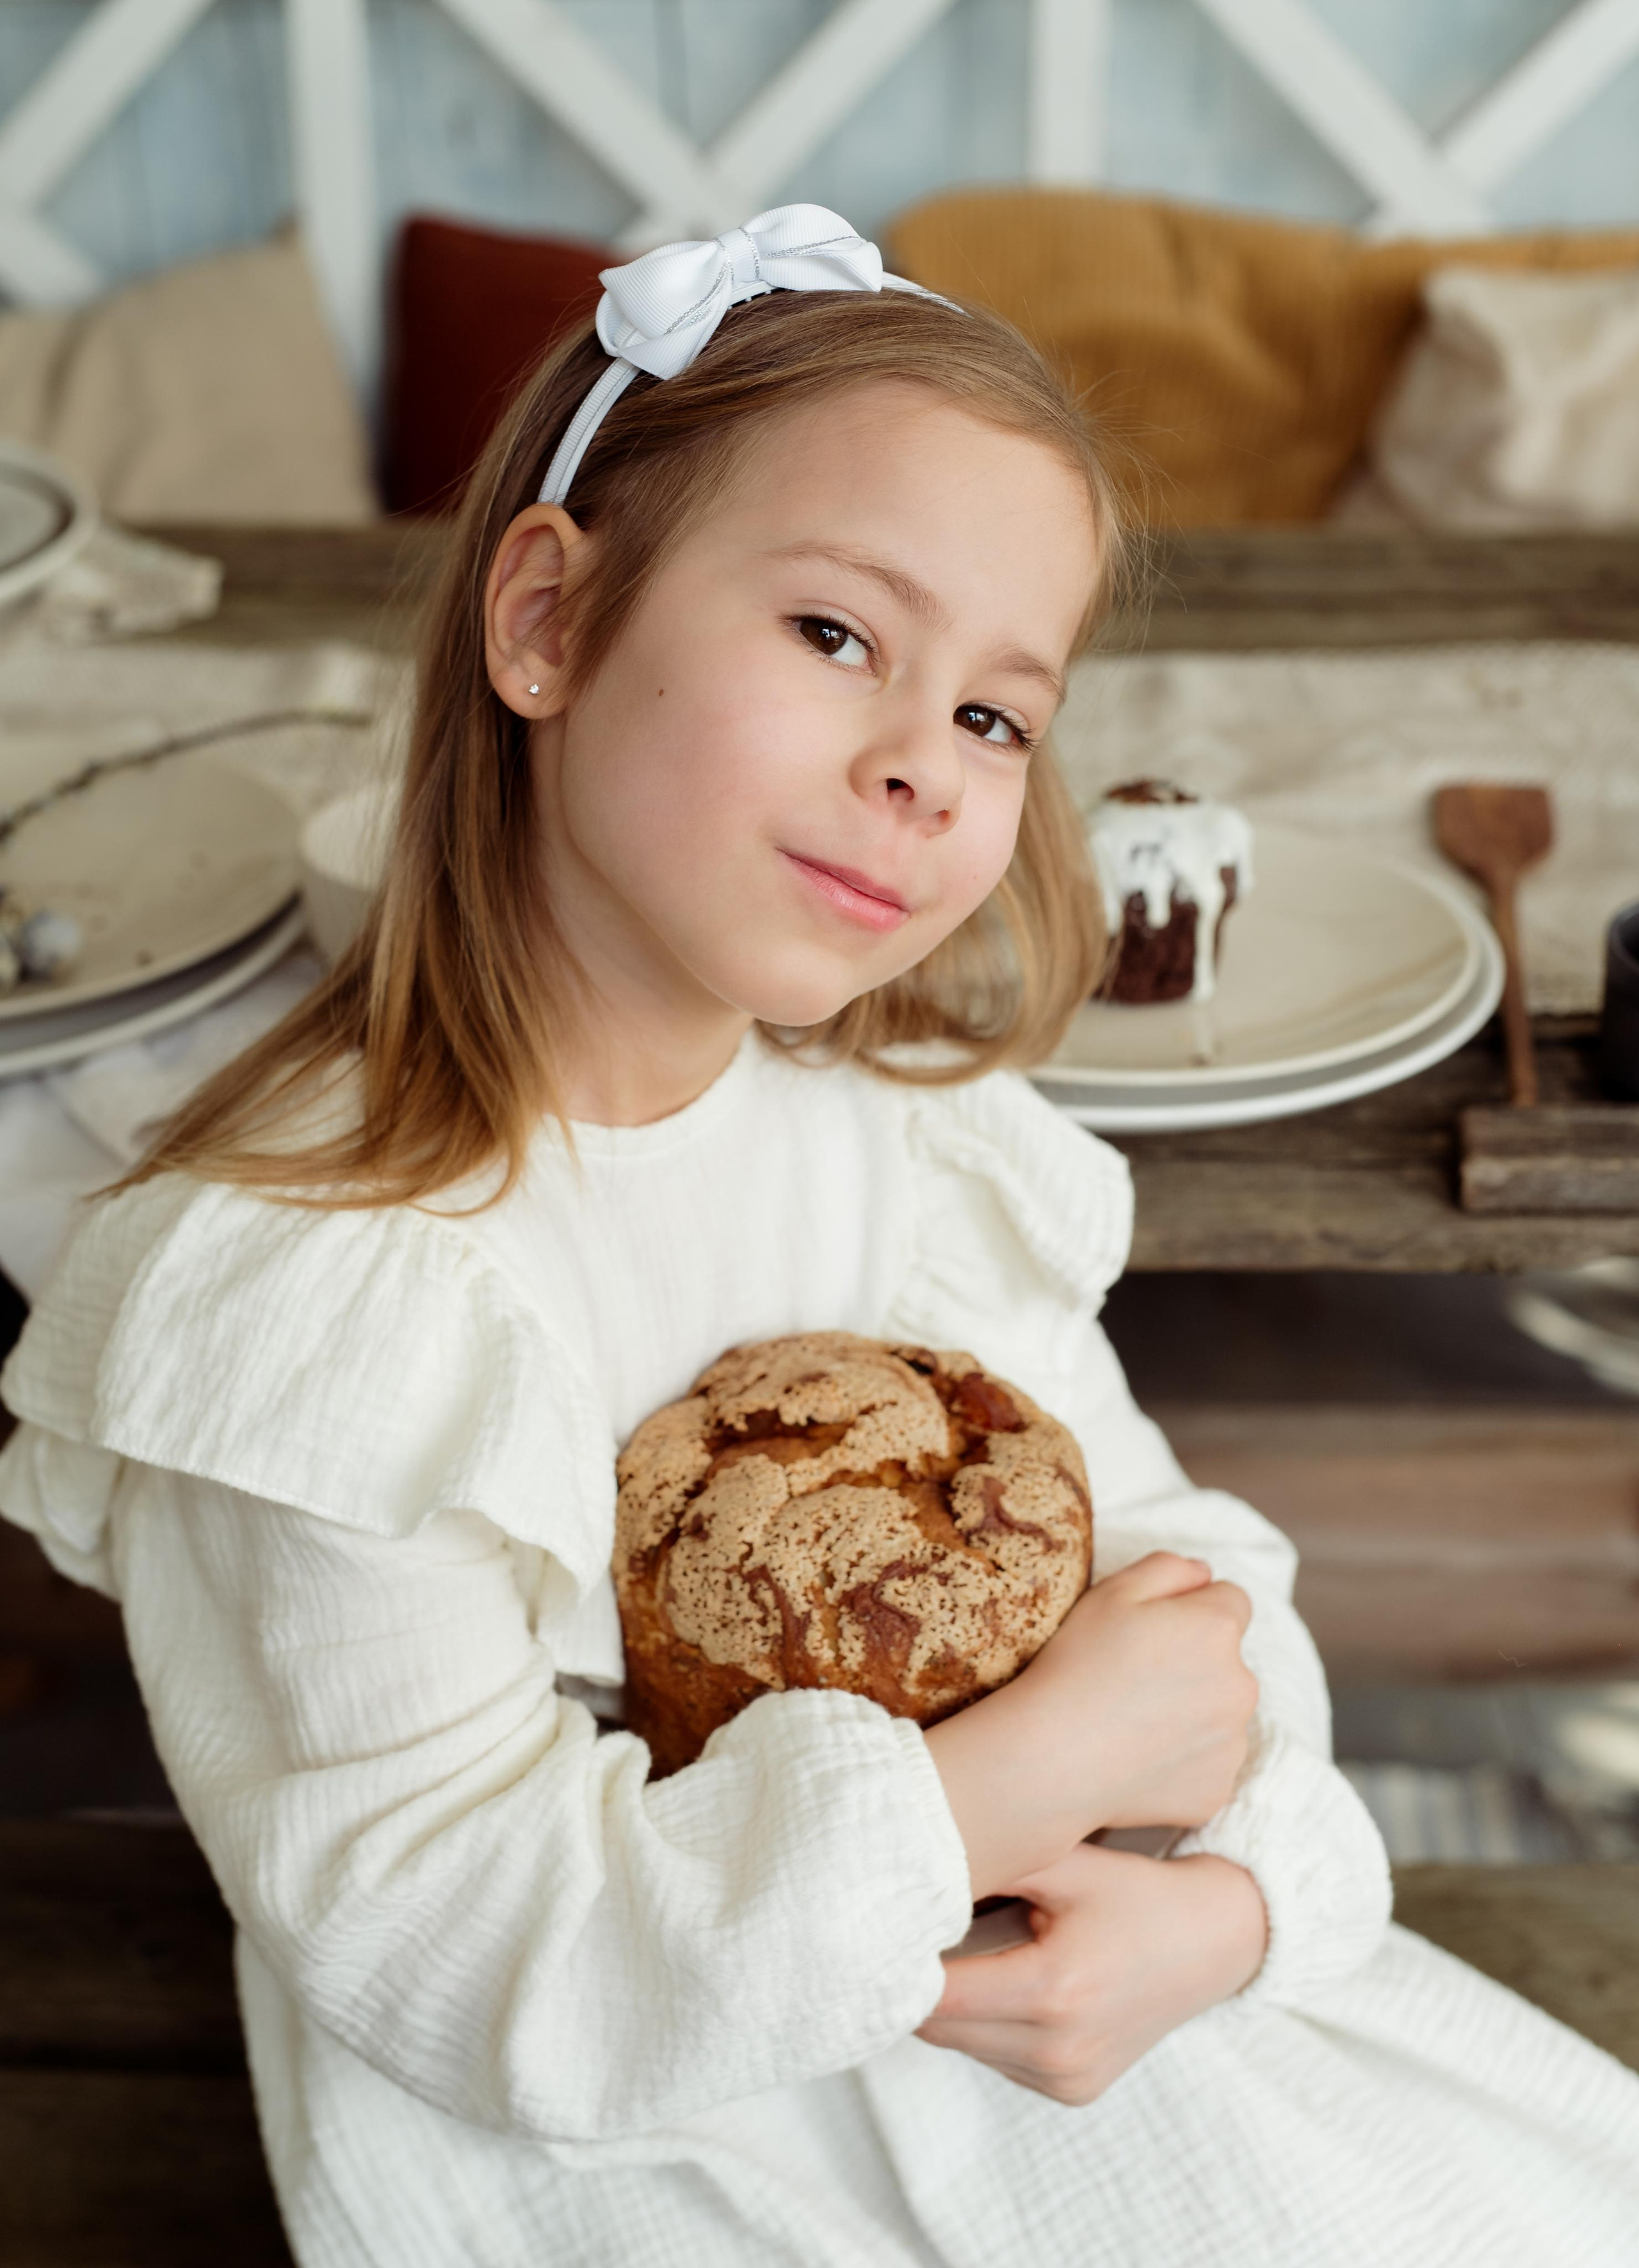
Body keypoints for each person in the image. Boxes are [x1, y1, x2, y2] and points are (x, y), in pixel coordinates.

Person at [2, 206, 1635, 2268]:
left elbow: (1173, 1565)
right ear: (547, 624)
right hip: (621, 2154)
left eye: (993, 718)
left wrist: (1232, 1911)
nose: (922, 775)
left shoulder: (901, 1147)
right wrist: (991, 1792)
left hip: (1043, 2006)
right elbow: (467, 1958)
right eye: (840, 637)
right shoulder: (321, 1287)